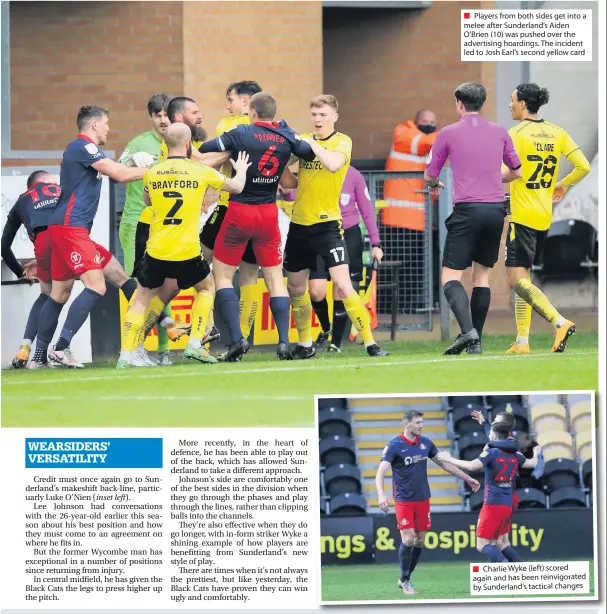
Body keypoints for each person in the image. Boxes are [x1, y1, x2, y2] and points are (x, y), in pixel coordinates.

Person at [28, 106, 151, 369]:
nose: (108, 128)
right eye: (106, 123)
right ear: (94, 125)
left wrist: (131, 163)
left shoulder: (85, 151)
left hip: (67, 229)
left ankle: (37, 359)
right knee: (97, 285)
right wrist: (158, 169)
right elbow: (119, 175)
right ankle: (60, 348)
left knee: (60, 293)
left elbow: (115, 170)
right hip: (71, 229)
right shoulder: (82, 146)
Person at [118, 123, 249, 367]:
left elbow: (148, 201)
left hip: (156, 249)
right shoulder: (200, 170)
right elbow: (237, 187)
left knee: (141, 299)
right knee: (207, 287)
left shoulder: (153, 171)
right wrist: (240, 169)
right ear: (189, 144)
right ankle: (195, 343)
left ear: (165, 145)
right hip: (187, 250)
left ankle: (126, 355)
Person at [198, 92, 315, 362]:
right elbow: (307, 151)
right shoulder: (285, 137)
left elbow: (207, 148)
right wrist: (288, 132)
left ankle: (238, 338)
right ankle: (285, 342)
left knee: (223, 275)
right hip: (268, 213)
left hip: (239, 210)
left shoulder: (241, 133)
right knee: (274, 278)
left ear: (252, 112)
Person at [284, 94, 388, 359]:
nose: (318, 120)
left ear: (334, 117)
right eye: (314, 115)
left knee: (343, 286)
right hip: (299, 225)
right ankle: (305, 344)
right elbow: (288, 182)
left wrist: (310, 144)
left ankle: (370, 343)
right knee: (297, 288)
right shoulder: (305, 142)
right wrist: (285, 157)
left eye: (323, 114)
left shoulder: (342, 142)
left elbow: (332, 164)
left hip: (327, 226)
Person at [425, 82, 522, 355]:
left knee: (450, 277)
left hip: (467, 210)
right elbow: (516, 171)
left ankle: (467, 332)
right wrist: (493, 177)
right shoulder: (500, 131)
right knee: (482, 276)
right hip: (495, 210)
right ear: (483, 103)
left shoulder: (447, 133)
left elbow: (430, 174)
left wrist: (434, 184)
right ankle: (475, 341)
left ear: (459, 103)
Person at [504, 83, 591, 354]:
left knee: (516, 280)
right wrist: (563, 184)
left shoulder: (516, 134)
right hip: (544, 215)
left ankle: (559, 322)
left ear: (522, 104)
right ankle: (522, 342)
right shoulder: (557, 132)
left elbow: (505, 173)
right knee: (525, 279)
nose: (509, 104)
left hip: (522, 214)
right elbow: (584, 166)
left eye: (512, 100)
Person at [130, 96, 211, 357]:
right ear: (180, 120)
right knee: (150, 291)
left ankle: (150, 347)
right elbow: (203, 165)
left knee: (168, 289)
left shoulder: (183, 144)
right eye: (194, 113)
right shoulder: (169, 146)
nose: (199, 117)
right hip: (153, 228)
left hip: (169, 232)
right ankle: (140, 345)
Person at [375, 410, 480, 596]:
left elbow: (444, 463)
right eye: (417, 423)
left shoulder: (426, 443)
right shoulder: (394, 446)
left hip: (423, 498)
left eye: (422, 422)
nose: (421, 426)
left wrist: (467, 478)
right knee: (408, 538)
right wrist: (382, 494)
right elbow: (381, 472)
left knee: (420, 541)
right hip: (403, 500)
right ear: (407, 424)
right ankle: (406, 580)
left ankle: (404, 578)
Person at [118, 93, 186, 366]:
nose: (162, 120)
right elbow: (118, 169)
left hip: (168, 224)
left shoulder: (181, 142)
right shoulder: (138, 143)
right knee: (143, 286)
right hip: (137, 221)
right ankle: (135, 348)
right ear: (150, 117)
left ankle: (164, 350)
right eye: (156, 115)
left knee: (165, 284)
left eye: (166, 114)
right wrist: (134, 160)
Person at [200, 80, 262, 346]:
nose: (227, 106)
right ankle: (244, 336)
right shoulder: (268, 127)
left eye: (230, 99)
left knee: (199, 261)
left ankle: (206, 325)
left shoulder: (227, 126)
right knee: (250, 274)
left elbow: (218, 156)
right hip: (261, 207)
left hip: (230, 205)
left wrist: (198, 170)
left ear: (246, 102)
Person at [436, 423, 540, 563]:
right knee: (500, 543)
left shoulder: (492, 453)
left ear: (495, 436)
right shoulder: (516, 455)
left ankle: (506, 568)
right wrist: (536, 454)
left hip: (493, 504)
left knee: (482, 545)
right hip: (507, 505)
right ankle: (523, 572)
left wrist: (450, 459)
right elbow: (532, 463)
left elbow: (473, 466)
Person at [309, 166, 383, 352]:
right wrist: (287, 193)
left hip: (348, 235)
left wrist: (376, 243)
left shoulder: (354, 175)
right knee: (316, 291)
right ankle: (326, 328)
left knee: (341, 288)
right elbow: (299, 195)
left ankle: (336, 343)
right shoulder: (316, 170)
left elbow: (367, 209)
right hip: (321, 233)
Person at [383, 110, 439, 313]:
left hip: (420, 219)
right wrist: (447, 135)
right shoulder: (403, 132)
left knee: (415, 270)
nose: (429, 125)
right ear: (416, 122)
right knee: (397, 267)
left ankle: (411, 307)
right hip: (398, 219)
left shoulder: (428, 147)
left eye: (433, 123)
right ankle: (392, 308)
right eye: (425, 122)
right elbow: (423, 142)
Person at [2, 171, 58, 368]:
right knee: (103, 279)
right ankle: (56, 350)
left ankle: (25, 348)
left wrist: (21, 273)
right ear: (42, 182)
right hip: (70, 241)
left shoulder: (21, 201)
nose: (55, 183)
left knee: (46, 295)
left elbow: (4, 246)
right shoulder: (60, 191)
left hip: (43, 247)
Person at [471, 408, 523, 561]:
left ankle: (508, 571)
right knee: (498, 542)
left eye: (495, 420)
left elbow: (511, 445)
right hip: (507, 496)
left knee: (493, 542)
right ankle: (520, 573)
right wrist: (484, 423)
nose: (492, 421)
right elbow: (493, 434)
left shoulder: (510, 442)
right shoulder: (503, 441)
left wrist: (488, 445)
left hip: (502, 497)